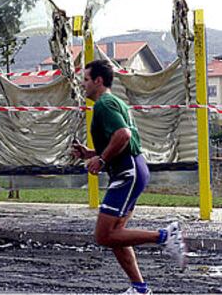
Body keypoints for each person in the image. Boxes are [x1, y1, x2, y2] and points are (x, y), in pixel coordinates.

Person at [71, 59, 186, 295]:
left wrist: (101, 160)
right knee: (117, 237)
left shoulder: (104, 104)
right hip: (132, 169)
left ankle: (165, 236)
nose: (83, 85)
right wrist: (91, 153)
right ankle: (140, 288)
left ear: (98, 81)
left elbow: (123, 135)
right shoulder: (114, 103)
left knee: (104, 235)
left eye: (85, 80)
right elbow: (121, 139)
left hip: (128, 172)